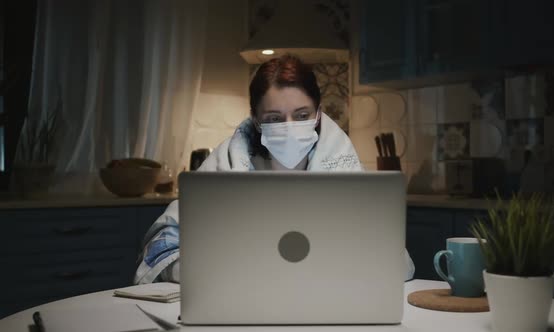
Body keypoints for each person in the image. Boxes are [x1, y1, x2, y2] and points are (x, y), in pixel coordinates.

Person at [134, 55, 415, 284]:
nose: (290, 125)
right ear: (256, 119)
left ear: (318, 112)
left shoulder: (343, 165)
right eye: (274, 118)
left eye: (302, 115)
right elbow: (162, 243)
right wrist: (206, 274)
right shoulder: (225, 165)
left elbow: (398, 262)